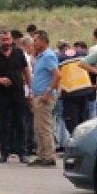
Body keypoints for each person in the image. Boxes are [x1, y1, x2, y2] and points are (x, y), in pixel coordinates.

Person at [0, 29, 31, 164]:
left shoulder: (18, 53)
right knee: (4, 123)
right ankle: (4, 152)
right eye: (3, 40)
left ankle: (22, 152)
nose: (6, 42)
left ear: (12, 40)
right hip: (1, 94)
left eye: (8, 39)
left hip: (18, 93)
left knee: (20, 122)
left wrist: (31, 90)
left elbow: (26, 71)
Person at [28, 30, 61, 167]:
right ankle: (41, 155)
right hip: (38, 95)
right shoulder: (41, 56)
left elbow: (57, 75)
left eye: (36, 40)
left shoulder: (48, 56)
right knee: (38, 127)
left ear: (43, 41)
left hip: (44, 96)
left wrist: (48, 92)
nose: (33, 43)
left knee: (44, 127)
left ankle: (49, 156)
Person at [58, 41, 92, 134]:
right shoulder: (82, 54)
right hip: (84, 90)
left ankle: (74, 142)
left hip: (69, 93)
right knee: (84, 120)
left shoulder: (59, 58)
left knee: (72, 123)